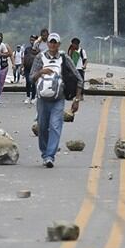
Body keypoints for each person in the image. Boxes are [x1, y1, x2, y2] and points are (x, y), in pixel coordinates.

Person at [30, 33, 82, 168]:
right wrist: (41, 72)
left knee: (55, 126)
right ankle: (44, 152)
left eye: (55, 43)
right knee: (42, 127)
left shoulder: (65, 58)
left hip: (58, 98)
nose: (52, 45)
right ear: (47, 44)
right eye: (50, 42)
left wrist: (76, 99)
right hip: (42, 99)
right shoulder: (39, 58)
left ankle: (49, 156)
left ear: (59, 44)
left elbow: (79, 78)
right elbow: (31, 77)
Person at [22, 34, 38, 104]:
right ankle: (28, 96)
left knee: (34, 83)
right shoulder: (27, 49)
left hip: (35, 69)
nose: (32, 41)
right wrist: (22, 67)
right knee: (28, 82)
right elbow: (24, 58)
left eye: (33, 40)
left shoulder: (38, 50)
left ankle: (33, 97)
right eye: (31, 40)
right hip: (27, 68)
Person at [0, 32, 12, 97]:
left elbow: (10, 54)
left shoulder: (5, 45)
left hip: (4, 66)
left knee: (1, 82)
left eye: (0, 38)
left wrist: (13, 64)